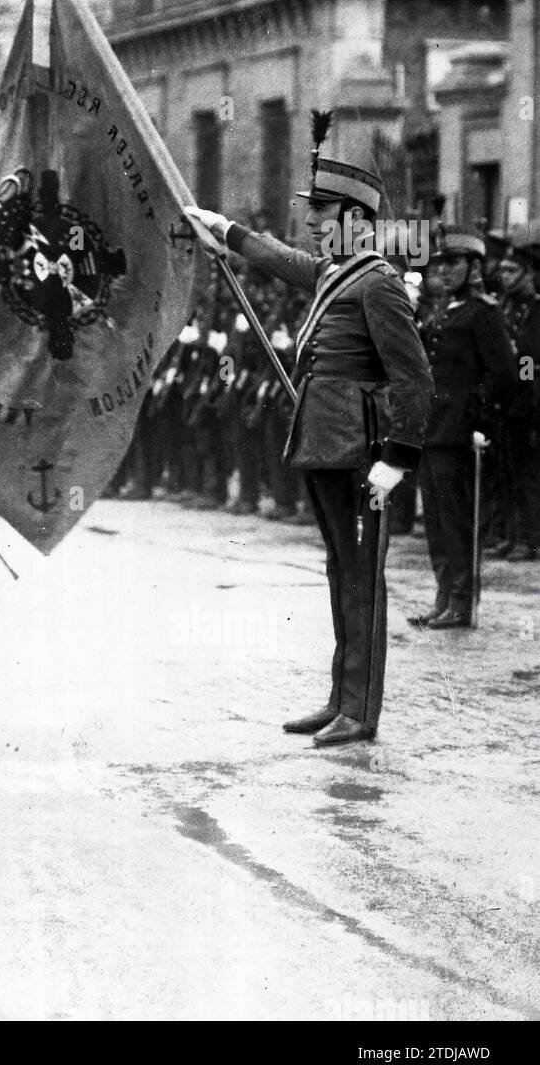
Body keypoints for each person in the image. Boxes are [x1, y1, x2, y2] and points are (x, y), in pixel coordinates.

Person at [187, 111, 434, 747]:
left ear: (356, 219)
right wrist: (227, 231)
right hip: (327, 440)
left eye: (324, 214)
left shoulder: (379, 283)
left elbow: (413, 377)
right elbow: (286, 260)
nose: (314, 223)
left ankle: (361, 709)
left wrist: (400, 456)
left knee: (363, 577)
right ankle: (339, 698)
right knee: (339, 567)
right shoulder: (334, 272)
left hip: (367, 450)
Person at [410, 228, 517, 629]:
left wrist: (481, 421)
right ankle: (443, 596)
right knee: (436, 520)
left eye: (455, 263)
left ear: (474, 267)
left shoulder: (483, 313)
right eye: (441, 264)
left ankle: (462, 600)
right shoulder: (443, 310)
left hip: (460, 431)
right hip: (433, 428)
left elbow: (504, 373)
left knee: (457, 519)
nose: (446, 271)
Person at [494, 229, 540, 562]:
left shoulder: (536, 311)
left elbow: (528, 359)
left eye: (513, 271)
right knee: (508, 472)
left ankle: (530, 537)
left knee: (528, 474)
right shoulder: (506, 308)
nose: (505, 277)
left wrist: (517, 365)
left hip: (531, 403)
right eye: (504, 271)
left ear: (530, 273)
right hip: (509, 404)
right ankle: (513, 533)